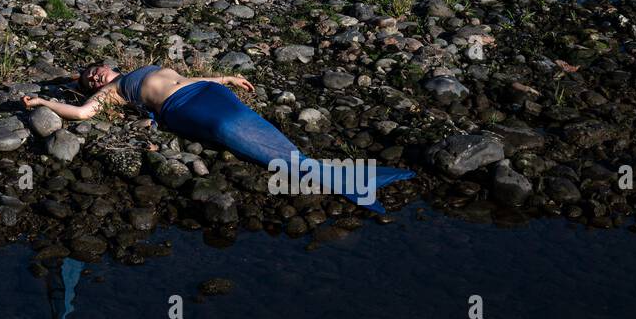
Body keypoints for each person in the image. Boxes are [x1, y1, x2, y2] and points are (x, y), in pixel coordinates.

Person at [24, 63, 415, 212]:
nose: (95, 77)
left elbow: (185, 78)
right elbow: (80, 113)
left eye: (95, 71)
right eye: (89, 80)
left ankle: (329, 172)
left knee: (262, 132)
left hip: (208, 92)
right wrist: (43, 100)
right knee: (228, 133)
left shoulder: (143, 66)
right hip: (186, 110)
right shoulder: (111, 93)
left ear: (108, 65)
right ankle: (348, 180)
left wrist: (223, 78)